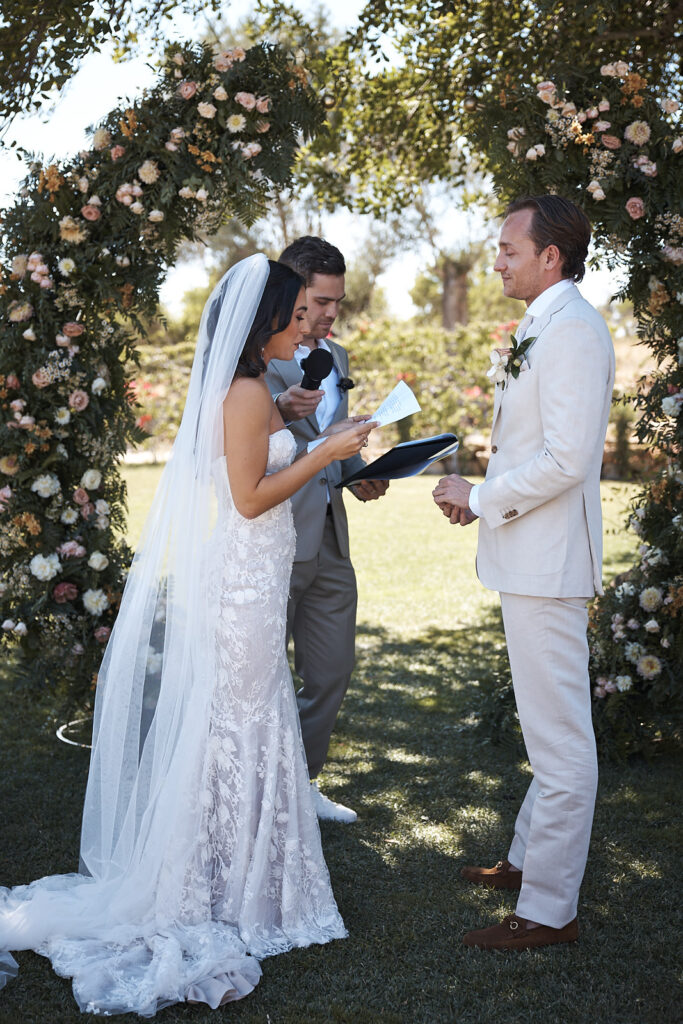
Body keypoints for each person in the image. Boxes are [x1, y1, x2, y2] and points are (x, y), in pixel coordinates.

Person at [0, 255, 375, 1015]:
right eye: (296, 315)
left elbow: (255, 461)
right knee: (236, 724)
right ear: (266, 320)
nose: (307, 327)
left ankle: (239, 876)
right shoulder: (241, 392)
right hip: (241, 582)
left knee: (249, 722)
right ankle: (218, 884)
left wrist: (301, 424)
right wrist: (326, 453)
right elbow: (248, 498)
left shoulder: (256, 392)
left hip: (256, 579)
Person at [433, 195, 614, 950]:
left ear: (551, 256)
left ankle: (547, 911)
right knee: (546, 732)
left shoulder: (571, 331)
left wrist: (479, 496)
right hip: (527, 557)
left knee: (561, 744)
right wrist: (480, 488)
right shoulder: (543, 323)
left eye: (509, 248)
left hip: (548, 564)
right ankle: (523, 858)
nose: (497, 259)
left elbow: (568, 461)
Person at [265, 237, 389, 823]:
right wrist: (279, 414)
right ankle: (257, 794)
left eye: (337, 302)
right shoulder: (253, 357)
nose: (329, 314)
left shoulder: (337, 359)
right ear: (291, 290)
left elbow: (336, 442)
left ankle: (301, 786)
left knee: (332, 670)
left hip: (332, 539)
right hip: (273, 536)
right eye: (319, 301)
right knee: (260, 676)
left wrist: (363, 473)